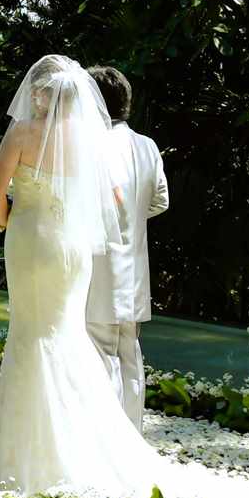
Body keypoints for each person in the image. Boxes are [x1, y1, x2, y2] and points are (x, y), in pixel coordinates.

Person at [0, 55, 165, 497]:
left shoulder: (23, 133)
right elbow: (116, 199)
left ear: (42, 93)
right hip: (73, 248)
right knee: (65, 334)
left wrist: (8, 221)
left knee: (30, 331)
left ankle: (26, 452)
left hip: (30, 240)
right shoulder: (93, 140)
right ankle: (85, 443)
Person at [83, 65, 168, 431]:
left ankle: (108, 438)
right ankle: (132, 432)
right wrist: (132, 218)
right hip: (135, 263)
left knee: (99, 351)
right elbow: (160, 201)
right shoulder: (146, 145)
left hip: (99, 263)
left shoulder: (90, 144)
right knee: (129, 352)